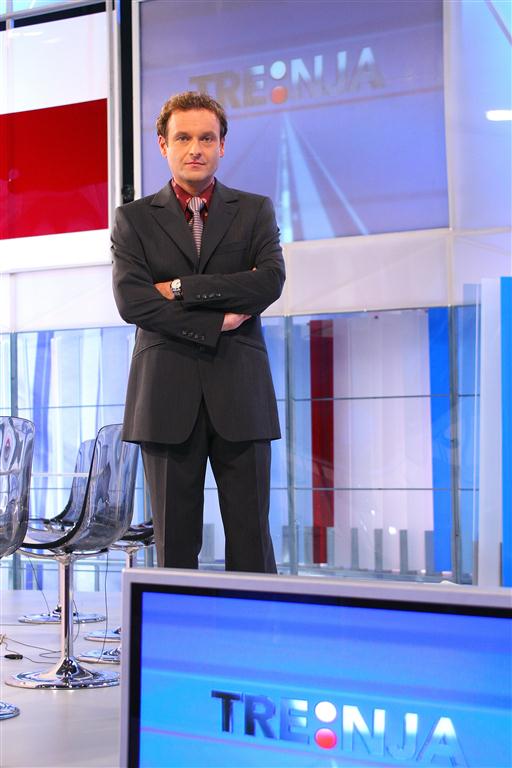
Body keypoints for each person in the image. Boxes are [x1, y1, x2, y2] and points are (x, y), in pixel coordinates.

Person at [111, 91, 285, 572]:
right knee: (174, 548)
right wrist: (215, 320)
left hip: (242, 395)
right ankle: (175, 625)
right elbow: (133, 302)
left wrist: (180, 288)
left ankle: (255, 624)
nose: (195, 149)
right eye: (183, 138)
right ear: (162, 144)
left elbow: (268, 282)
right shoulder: (133, 220)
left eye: (206, 138)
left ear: (222, 145)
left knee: (252, 543)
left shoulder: (255, 210)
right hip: (165, 399)